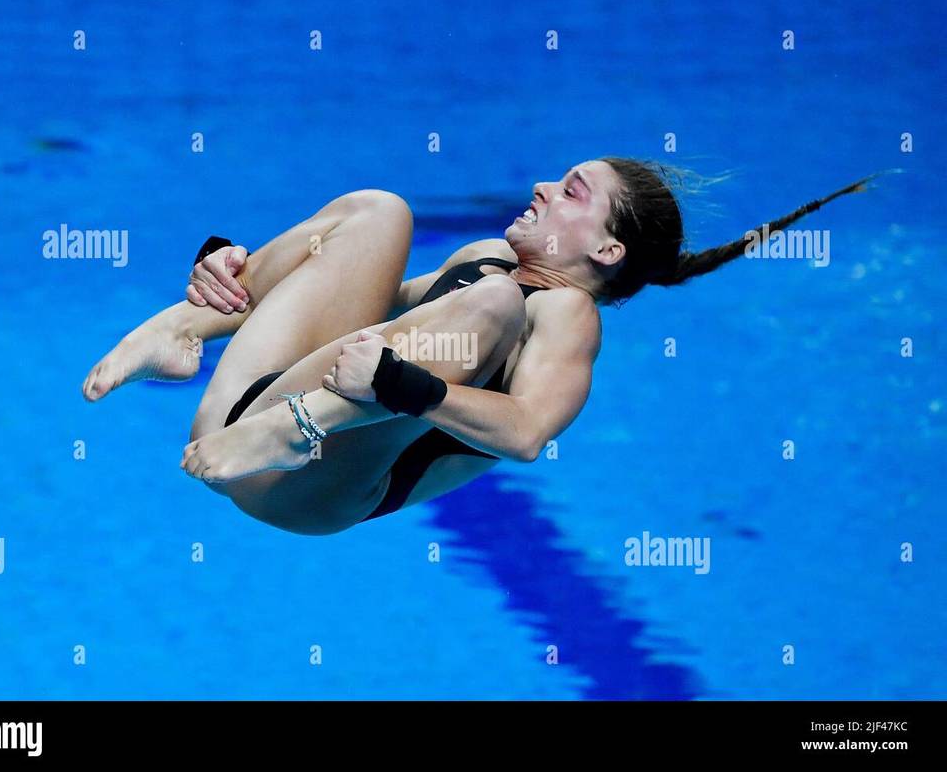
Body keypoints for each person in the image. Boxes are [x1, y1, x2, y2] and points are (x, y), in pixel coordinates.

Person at [83, 158, 873, 535]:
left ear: (605, 253)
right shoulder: (479, 268)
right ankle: (180, 329)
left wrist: (406, 388)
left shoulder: (565, 316)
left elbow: (527, 432)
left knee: (492, 300)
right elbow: (336, 306)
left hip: (315, 480)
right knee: (378, 212)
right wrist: (228, 272)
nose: (541, 188)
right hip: (243, 421)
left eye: (572, 194)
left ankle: (305, 424)